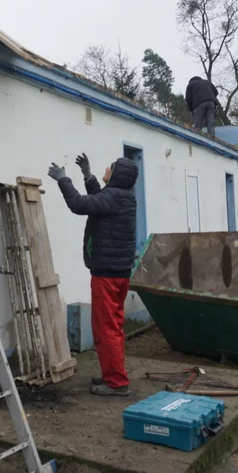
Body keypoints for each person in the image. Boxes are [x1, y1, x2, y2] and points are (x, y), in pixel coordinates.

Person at [47, 153, 139, 397]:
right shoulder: (123, 197)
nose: (105, 169)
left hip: (106, 276)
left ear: (117, 175)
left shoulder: (114, 197)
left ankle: (117, 383)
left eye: (110, 168)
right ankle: (112, 374)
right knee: (114, 327)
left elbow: (79, 204)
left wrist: (63, 180)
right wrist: (87, 176)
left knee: (105, 329)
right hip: (119, 274)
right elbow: (100, 199)